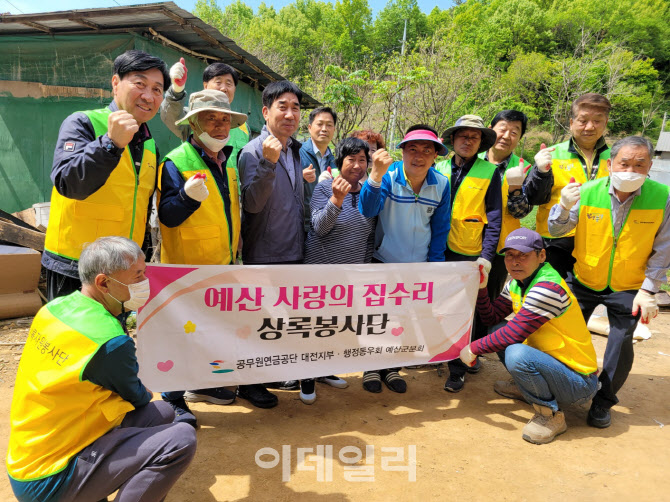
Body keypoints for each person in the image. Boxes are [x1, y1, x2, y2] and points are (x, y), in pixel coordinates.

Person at [7, 237, 197, 502]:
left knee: (163, 412)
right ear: (103, 282)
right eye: (138, 275)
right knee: (181, 438)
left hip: (29, 457)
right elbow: (137, 396)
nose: (145, 282)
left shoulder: (54, 308)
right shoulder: (109, 340)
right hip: (49, 480)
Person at [548, 135, 670, 428]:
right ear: (610, 164)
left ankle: (603, 401)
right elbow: (556, 228)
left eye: (639, 164)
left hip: (630, 285)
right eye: (624, 163)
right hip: (585, 279)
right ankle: (560, 388)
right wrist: (563, 207)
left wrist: (649, 290)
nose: (631, 170)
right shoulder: (588, 192)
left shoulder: (662, 197)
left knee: (621, 339)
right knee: (563, 333)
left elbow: (664, 247)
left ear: (650, 166)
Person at [43, 50, 169, 301]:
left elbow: (139, 208)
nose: (148, 96)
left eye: (157, 89)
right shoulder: (82, 123)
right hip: (76, 266)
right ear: (115, 83)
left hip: (121, 269)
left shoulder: (149, 145)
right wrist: (110, 144)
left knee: (110, 337)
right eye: (140, 84)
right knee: (74, 338)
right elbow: (68, 182)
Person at [157, 89, 248, 426]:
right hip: (184, 268)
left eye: (225, 118)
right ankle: (172, 400)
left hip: (221, 263)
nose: (221, 125)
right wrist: (186, 197)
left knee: (209, 331)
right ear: (194, 122)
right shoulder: (176, 161)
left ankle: (206, 385)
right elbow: (168, 216)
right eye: (212, 117)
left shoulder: (229, 160)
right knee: (179, 334)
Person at [459, 228, 598, 444]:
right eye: (510, 255)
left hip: (578, 382)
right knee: (497, 330)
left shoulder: (548, 287)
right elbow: (491, 317)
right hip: (554, 366)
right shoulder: (518, 282)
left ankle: (550, 415)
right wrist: (483, 288)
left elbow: (514, 333)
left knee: (516, 352)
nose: (515, 262)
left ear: (541, 256)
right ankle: (528, 387)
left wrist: (473, 348)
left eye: (523, 255)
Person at [359, 125, 451, 394]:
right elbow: (368, 208)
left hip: (418, 266)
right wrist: (375, 176)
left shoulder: (441, 185)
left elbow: (440, 228)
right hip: (384, 259)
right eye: (412, 149)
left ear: (436, 156)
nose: (419, 156)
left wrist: (434, 266)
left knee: (403, 320)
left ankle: (391, 368)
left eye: (427, 150)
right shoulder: (389, 175)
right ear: (402, 152)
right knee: (377, 318)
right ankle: (371, 368)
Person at [237, 80, 305, 407]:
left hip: (293, 252)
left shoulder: (297, 149)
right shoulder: (252, 152)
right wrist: (268, 163)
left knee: (280, 323)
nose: (290, 114)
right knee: (259, 322)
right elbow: (251, 204)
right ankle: (249, 384)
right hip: (264, 254)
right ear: (266, 112)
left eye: (295, 108)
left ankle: (271, 373)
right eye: (282, 107)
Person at [299, 137, 377, 404]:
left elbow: (370, 236)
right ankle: (306, 378)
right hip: (320, 273)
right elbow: (319, 227)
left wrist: (364, 271)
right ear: (340, 162)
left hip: (350, 276)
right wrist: (336, 199)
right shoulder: (323, 188)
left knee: (334, 327)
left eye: (362, 160)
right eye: (351, 160)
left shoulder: (369, 191)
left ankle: (325, 370)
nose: (357, 166)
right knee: (312, 327)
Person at [436, 115, 502, 392]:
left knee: (465, 314)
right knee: (439, 307)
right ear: (453, 140)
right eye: (463, 136)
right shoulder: (438, 167)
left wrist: (487, 255)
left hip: (469, 252)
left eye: (474, 137)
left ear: (480, 143)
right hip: (438, 249)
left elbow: (495, 215)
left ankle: (459, 367)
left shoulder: (490, 172)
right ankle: (438, 353)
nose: (467, 141)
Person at [523, 93, 612, 278]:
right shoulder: (552, 154)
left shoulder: (617, 159)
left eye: (597, 120)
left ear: (606, 122)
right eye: (583, 120)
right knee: (552, 296)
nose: (590, 126)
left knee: (586, 297)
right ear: (571, 123)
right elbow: (533, 199)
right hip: (554, 241)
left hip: (598, 241)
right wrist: (540, 172)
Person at [160, 59, 249, 169]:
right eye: (218, 82)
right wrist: (176, 90)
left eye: (229, 83)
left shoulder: (243, 126)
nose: (223, 88)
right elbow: (170, 115)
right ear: (205, 85)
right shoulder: (194, 115)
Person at [479, 110, 530, 298]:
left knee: (488, 300)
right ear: (490, 130)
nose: (507, 136)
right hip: (463, 243)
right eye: (502, 129)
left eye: (514, 132)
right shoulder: (471, 160)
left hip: (500, 248)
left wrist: (516, 189)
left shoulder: (524, 168)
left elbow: (521, 212)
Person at [299, 107, 338, 233]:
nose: (324, 129)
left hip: (324, 227)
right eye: (320, 124)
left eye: (329, 125)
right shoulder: (296, 152)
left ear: (334, 130)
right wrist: (300, 177)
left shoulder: (334, 162)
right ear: (310, 128)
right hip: (299, 225)